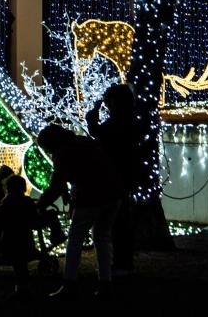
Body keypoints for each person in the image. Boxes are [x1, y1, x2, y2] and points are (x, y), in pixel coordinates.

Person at [36, 124, 121, 301]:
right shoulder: (84, 142)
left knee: (75, 240)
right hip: (113, 194)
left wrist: (40, 205)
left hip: (90, 197)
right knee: (102, 239)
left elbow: (57, 185)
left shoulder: (63, 153)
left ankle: (70, 284)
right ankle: (105, 283)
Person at [87, 84, 144, 272]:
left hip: (115, 176)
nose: (107, 104)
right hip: (127, 175)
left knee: (117, 222)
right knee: (122, 220)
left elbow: (99, 135)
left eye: (109, 101)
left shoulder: (117, 123)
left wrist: (92, 118)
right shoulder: (132, 121)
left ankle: (121, 262)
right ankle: (125, 260)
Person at [0, 175, 39, 300]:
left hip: (10, 242)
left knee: (19, 266)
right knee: (21, 266)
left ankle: (21, 290)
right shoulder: (28, 203)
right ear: (23, 188)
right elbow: (35, 222)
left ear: (7, 189)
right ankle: (23, 289)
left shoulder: (3, 207)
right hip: (25, 240)